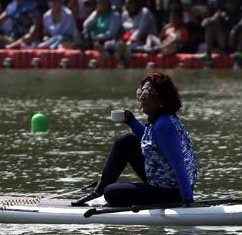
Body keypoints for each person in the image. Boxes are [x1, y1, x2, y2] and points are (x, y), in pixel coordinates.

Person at [73, 72, 197, 207]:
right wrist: (131, 121)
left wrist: (187, 201)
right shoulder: (159, 119)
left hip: (172, 192)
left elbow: (179, 166)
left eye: (146, 93)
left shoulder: (164, 125)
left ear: (161, 97)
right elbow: (151, 141)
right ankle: (98, 192)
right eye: (140, 93)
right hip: (161, 180)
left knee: (111, 193)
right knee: (126, 141)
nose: (141, 99)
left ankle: (103, 192)